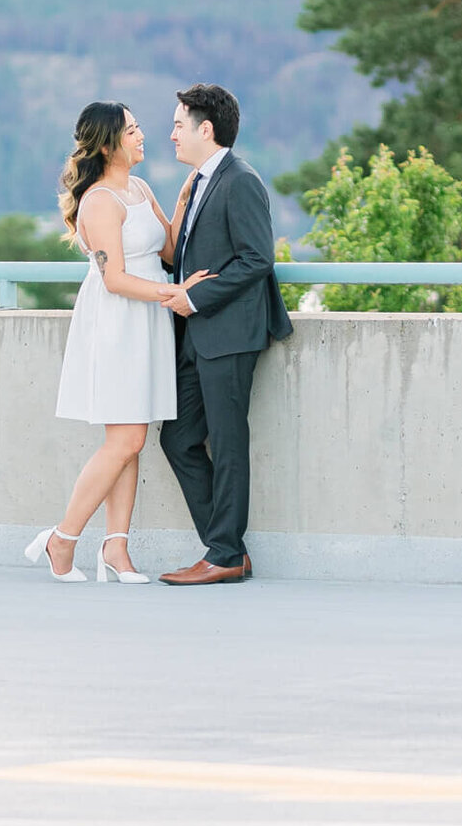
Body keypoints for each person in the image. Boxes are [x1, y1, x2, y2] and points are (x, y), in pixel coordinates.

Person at [24, 103, 210, 584]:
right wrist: (176, 295)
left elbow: (167, 251)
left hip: (147, 319)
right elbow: (114, 279)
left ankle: (116, 550)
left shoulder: (140, 189)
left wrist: (186, 200)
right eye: (131, 130)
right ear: (108, 144)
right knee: (124, 439)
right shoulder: (100, 200)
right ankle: (61, 540)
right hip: (118, 322)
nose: (142, 135)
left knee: (132, 441)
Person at [156, 82, 293, 585]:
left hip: (230, 333)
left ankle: (225, 554)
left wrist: (193, 299)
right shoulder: (199, 180)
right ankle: (227, 547)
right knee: (178, 437)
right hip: (197, 335)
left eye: (177, 124)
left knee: (229, 444)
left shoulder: (240, 180)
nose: (171, 133)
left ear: (204, 129)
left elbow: (258, 259)